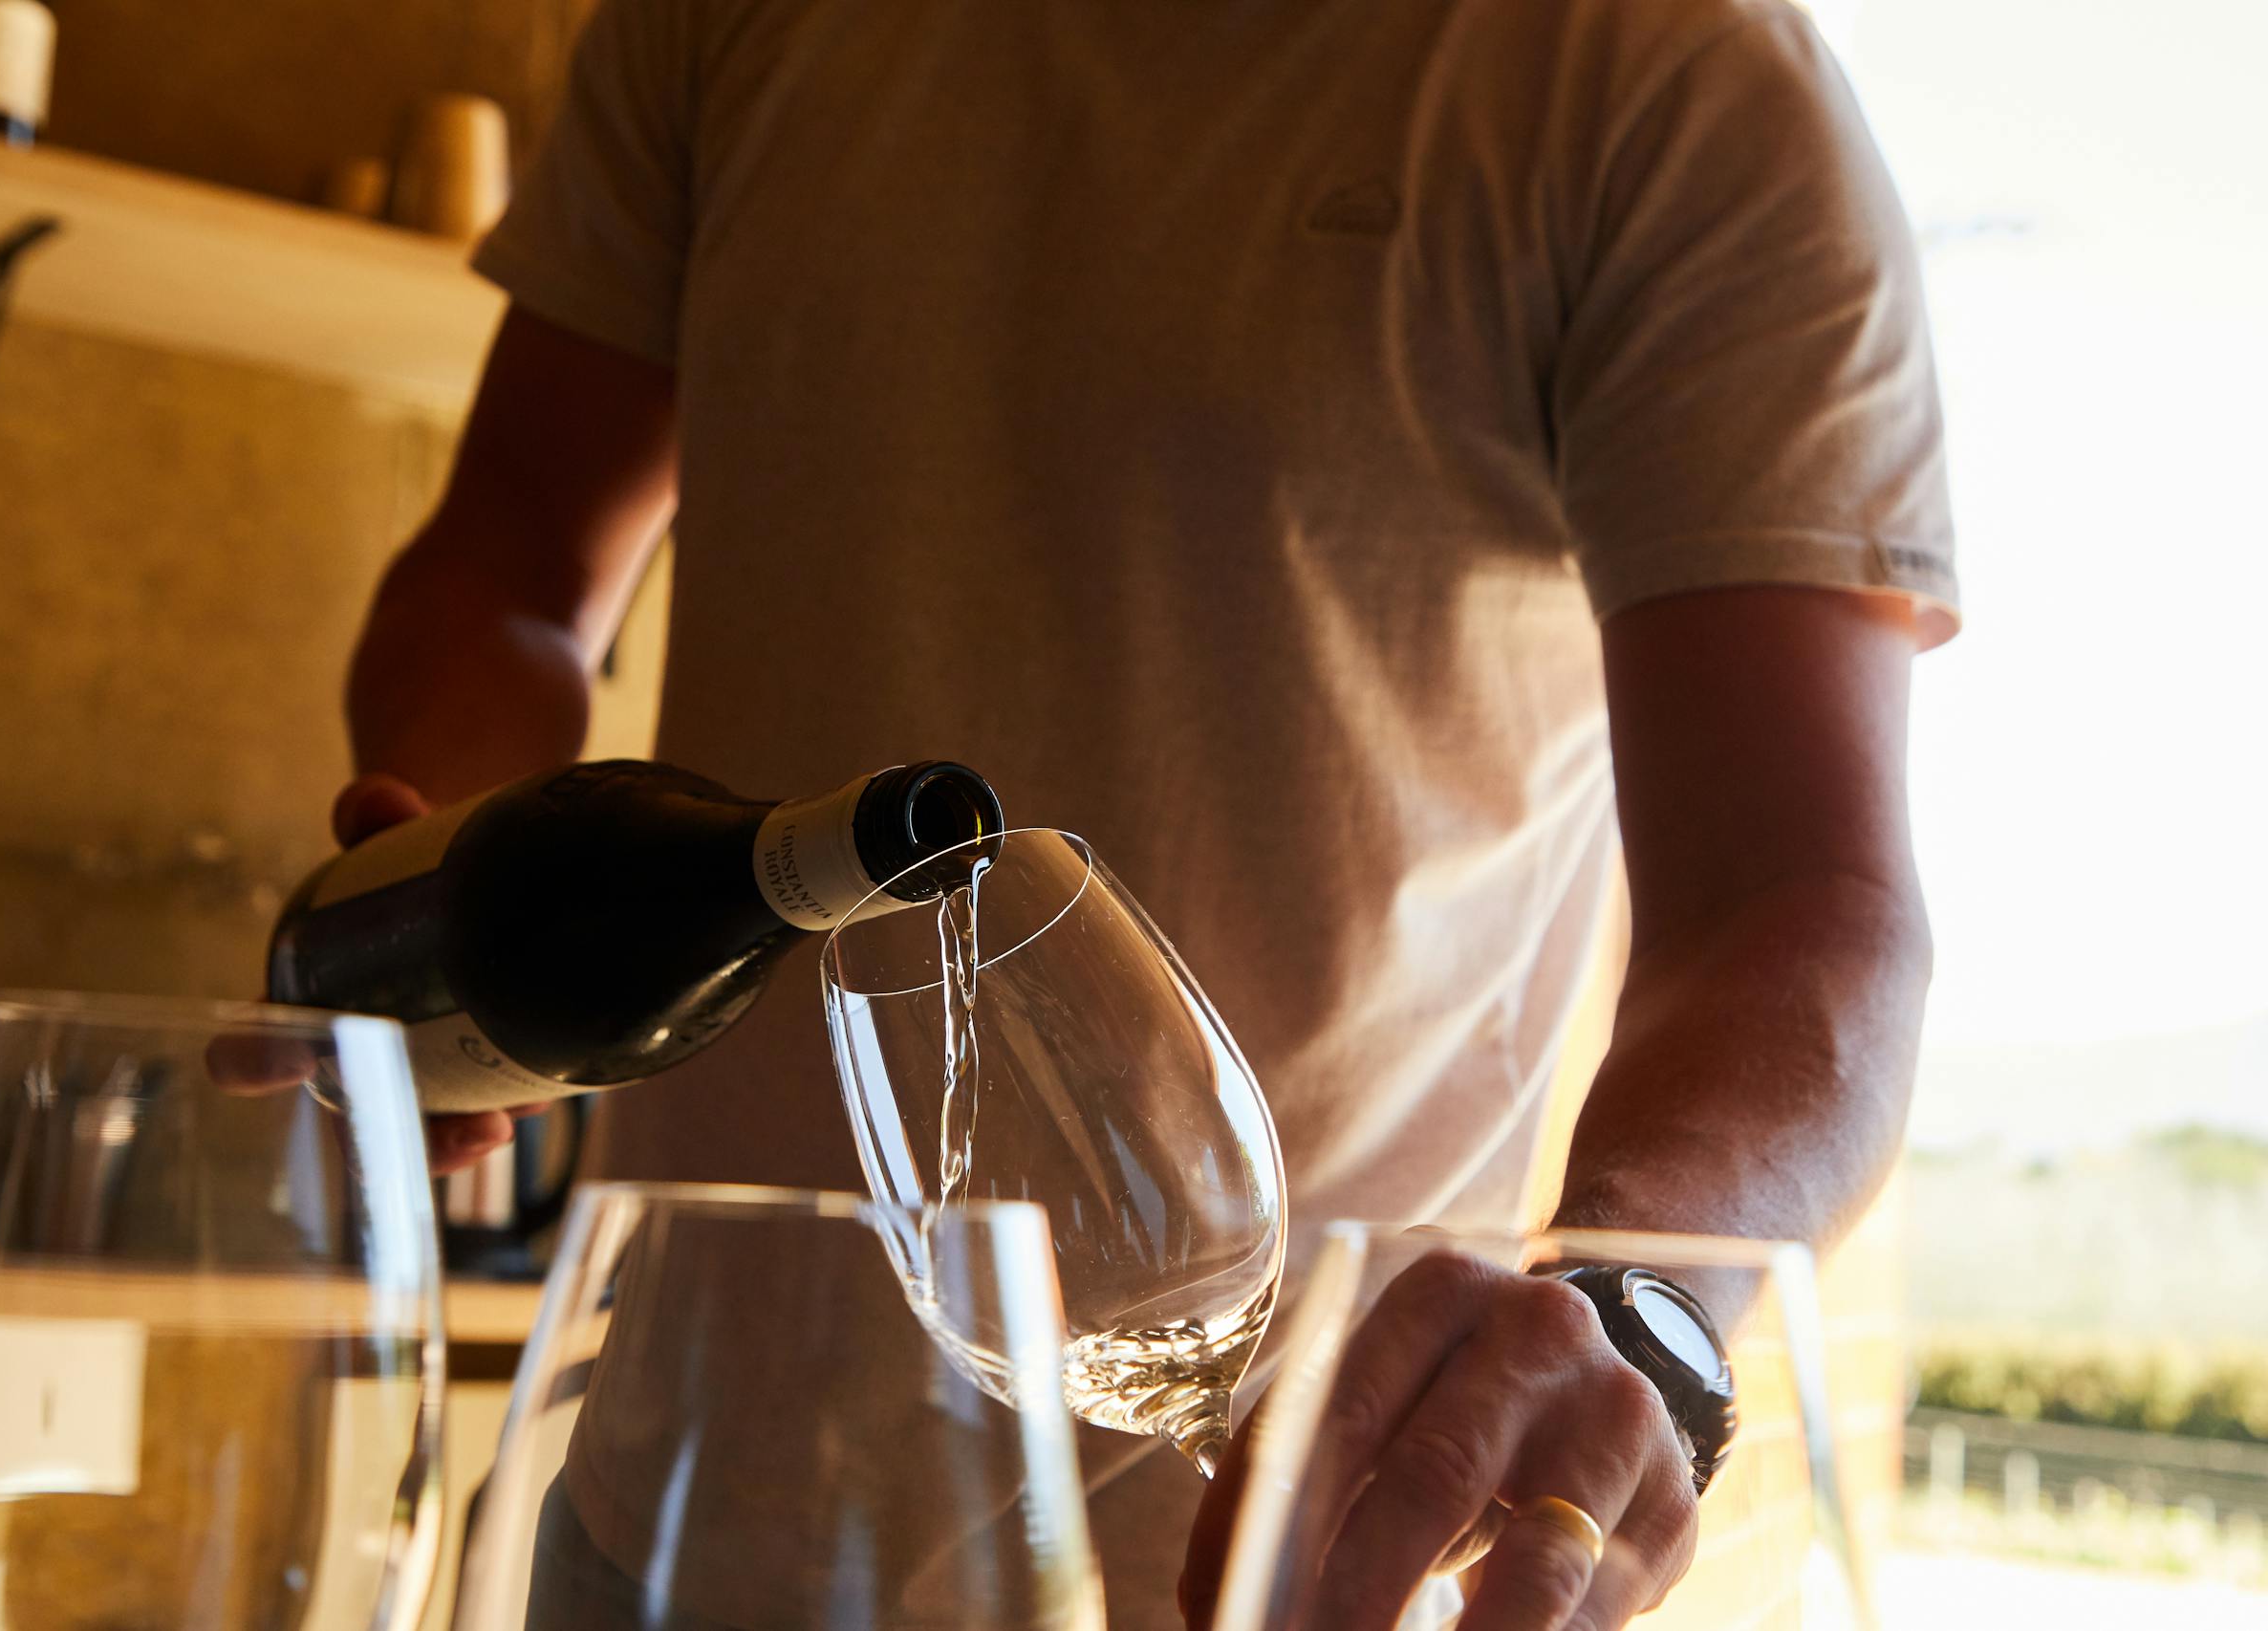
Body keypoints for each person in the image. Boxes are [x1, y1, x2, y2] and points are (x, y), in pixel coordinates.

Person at [334, 0, 1956, 1623]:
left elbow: (1803, 898)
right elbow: (510, 566)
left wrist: (1629, 1298)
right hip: (666, 1522)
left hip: (1296, 1553)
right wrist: (470, 900)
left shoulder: (1672, 85)